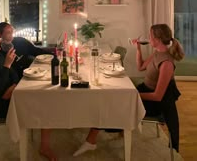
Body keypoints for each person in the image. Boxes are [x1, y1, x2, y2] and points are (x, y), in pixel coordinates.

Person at [73, 23, 184, 157]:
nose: (148, 38)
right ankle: (102, 135)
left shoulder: (167, 63)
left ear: (157, 39)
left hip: (155, 104)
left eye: (150, 36)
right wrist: (138, 48)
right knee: (109, 99)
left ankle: (93, 140)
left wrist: (133, 94)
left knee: (111, 106)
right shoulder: (158, 53)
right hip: (145, 91)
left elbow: (157, 96)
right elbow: (141, 67)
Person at [0, 28, 57, 161]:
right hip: (4, 106)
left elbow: (14, 75)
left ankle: (44, 141)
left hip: (14, 95)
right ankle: (44, 147)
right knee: (45, 107)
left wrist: (12, 86)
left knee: (45, 96)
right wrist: (6, 66)